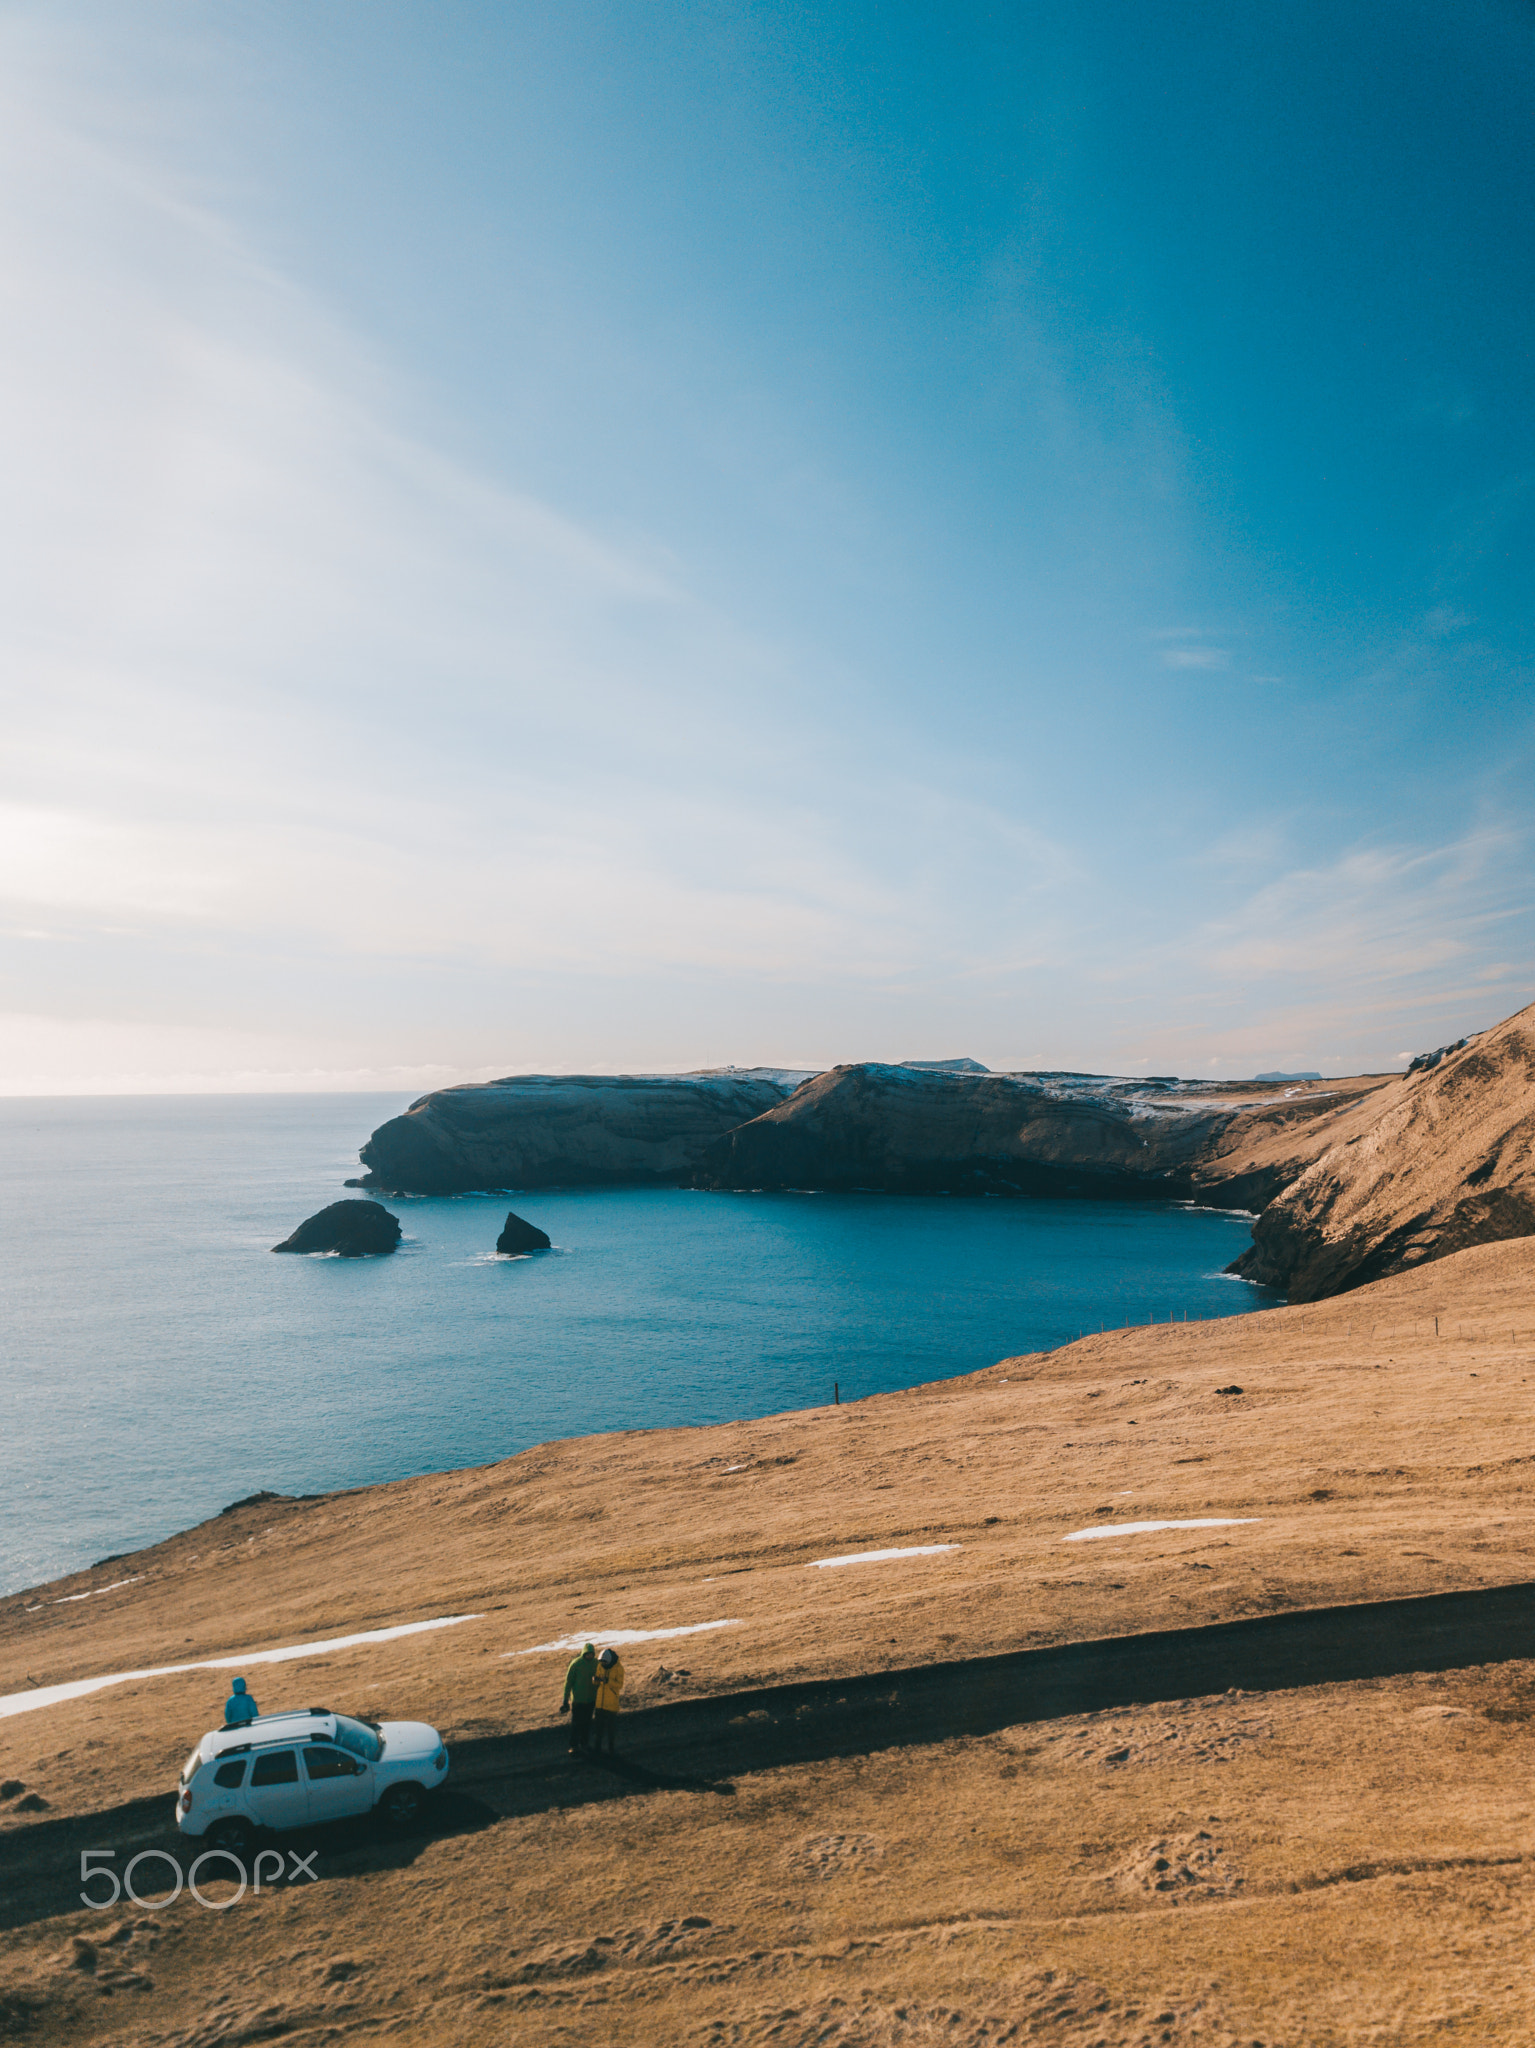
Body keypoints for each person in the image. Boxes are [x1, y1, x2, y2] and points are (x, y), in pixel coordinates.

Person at [561, 1643, 599, 1754]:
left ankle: (584, 1743)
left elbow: (599, 1679)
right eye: (588, 1654)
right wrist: (565, 1699)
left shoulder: (596, 1664)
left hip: (591, 1699)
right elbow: (568, 1683)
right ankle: (574, 1746)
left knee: (587, 1723)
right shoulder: (576, 1664)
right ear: (584, 1653)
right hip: (578, 1700)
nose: (590, 1656)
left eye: (591, 1654)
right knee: (576, 1724)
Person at [592, 1646, 624, 1754]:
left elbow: (619, 1685)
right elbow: (597, 1680)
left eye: (604, 1663)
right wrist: (595, 1680)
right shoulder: (600, 1666)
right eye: (601, 1662)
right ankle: (597, 1748)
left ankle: (611, 1749)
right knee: (598, 1728)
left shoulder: (618, 1668)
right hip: (600, 1702)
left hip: (611, 1704)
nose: (602, 1664)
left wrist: (608, 1681)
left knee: (611, 1729)